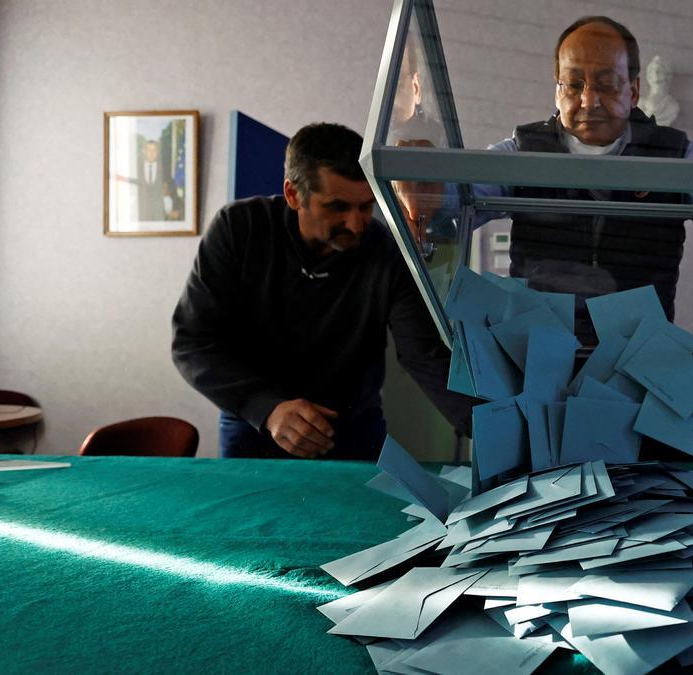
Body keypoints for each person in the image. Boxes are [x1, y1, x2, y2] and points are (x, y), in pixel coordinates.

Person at [395, 15, 693, 342]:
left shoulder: (673, 152)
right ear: (557, 91)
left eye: (606, 83)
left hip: (638, 361)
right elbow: (457, 203)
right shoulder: (524, 150)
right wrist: (425, 187)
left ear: (634, 90)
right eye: (574, 84)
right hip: (537, 359)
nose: (588, 99)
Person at [172, 123, 474, 460]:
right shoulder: (238, 230)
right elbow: (193, 341)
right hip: (256, 424)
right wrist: (266, 408)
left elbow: (425, 354)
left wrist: (489, 426)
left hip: (354, 430)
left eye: (365, 206)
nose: (357, 224)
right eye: (337, 207)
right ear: (293, 195)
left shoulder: (385, 251)